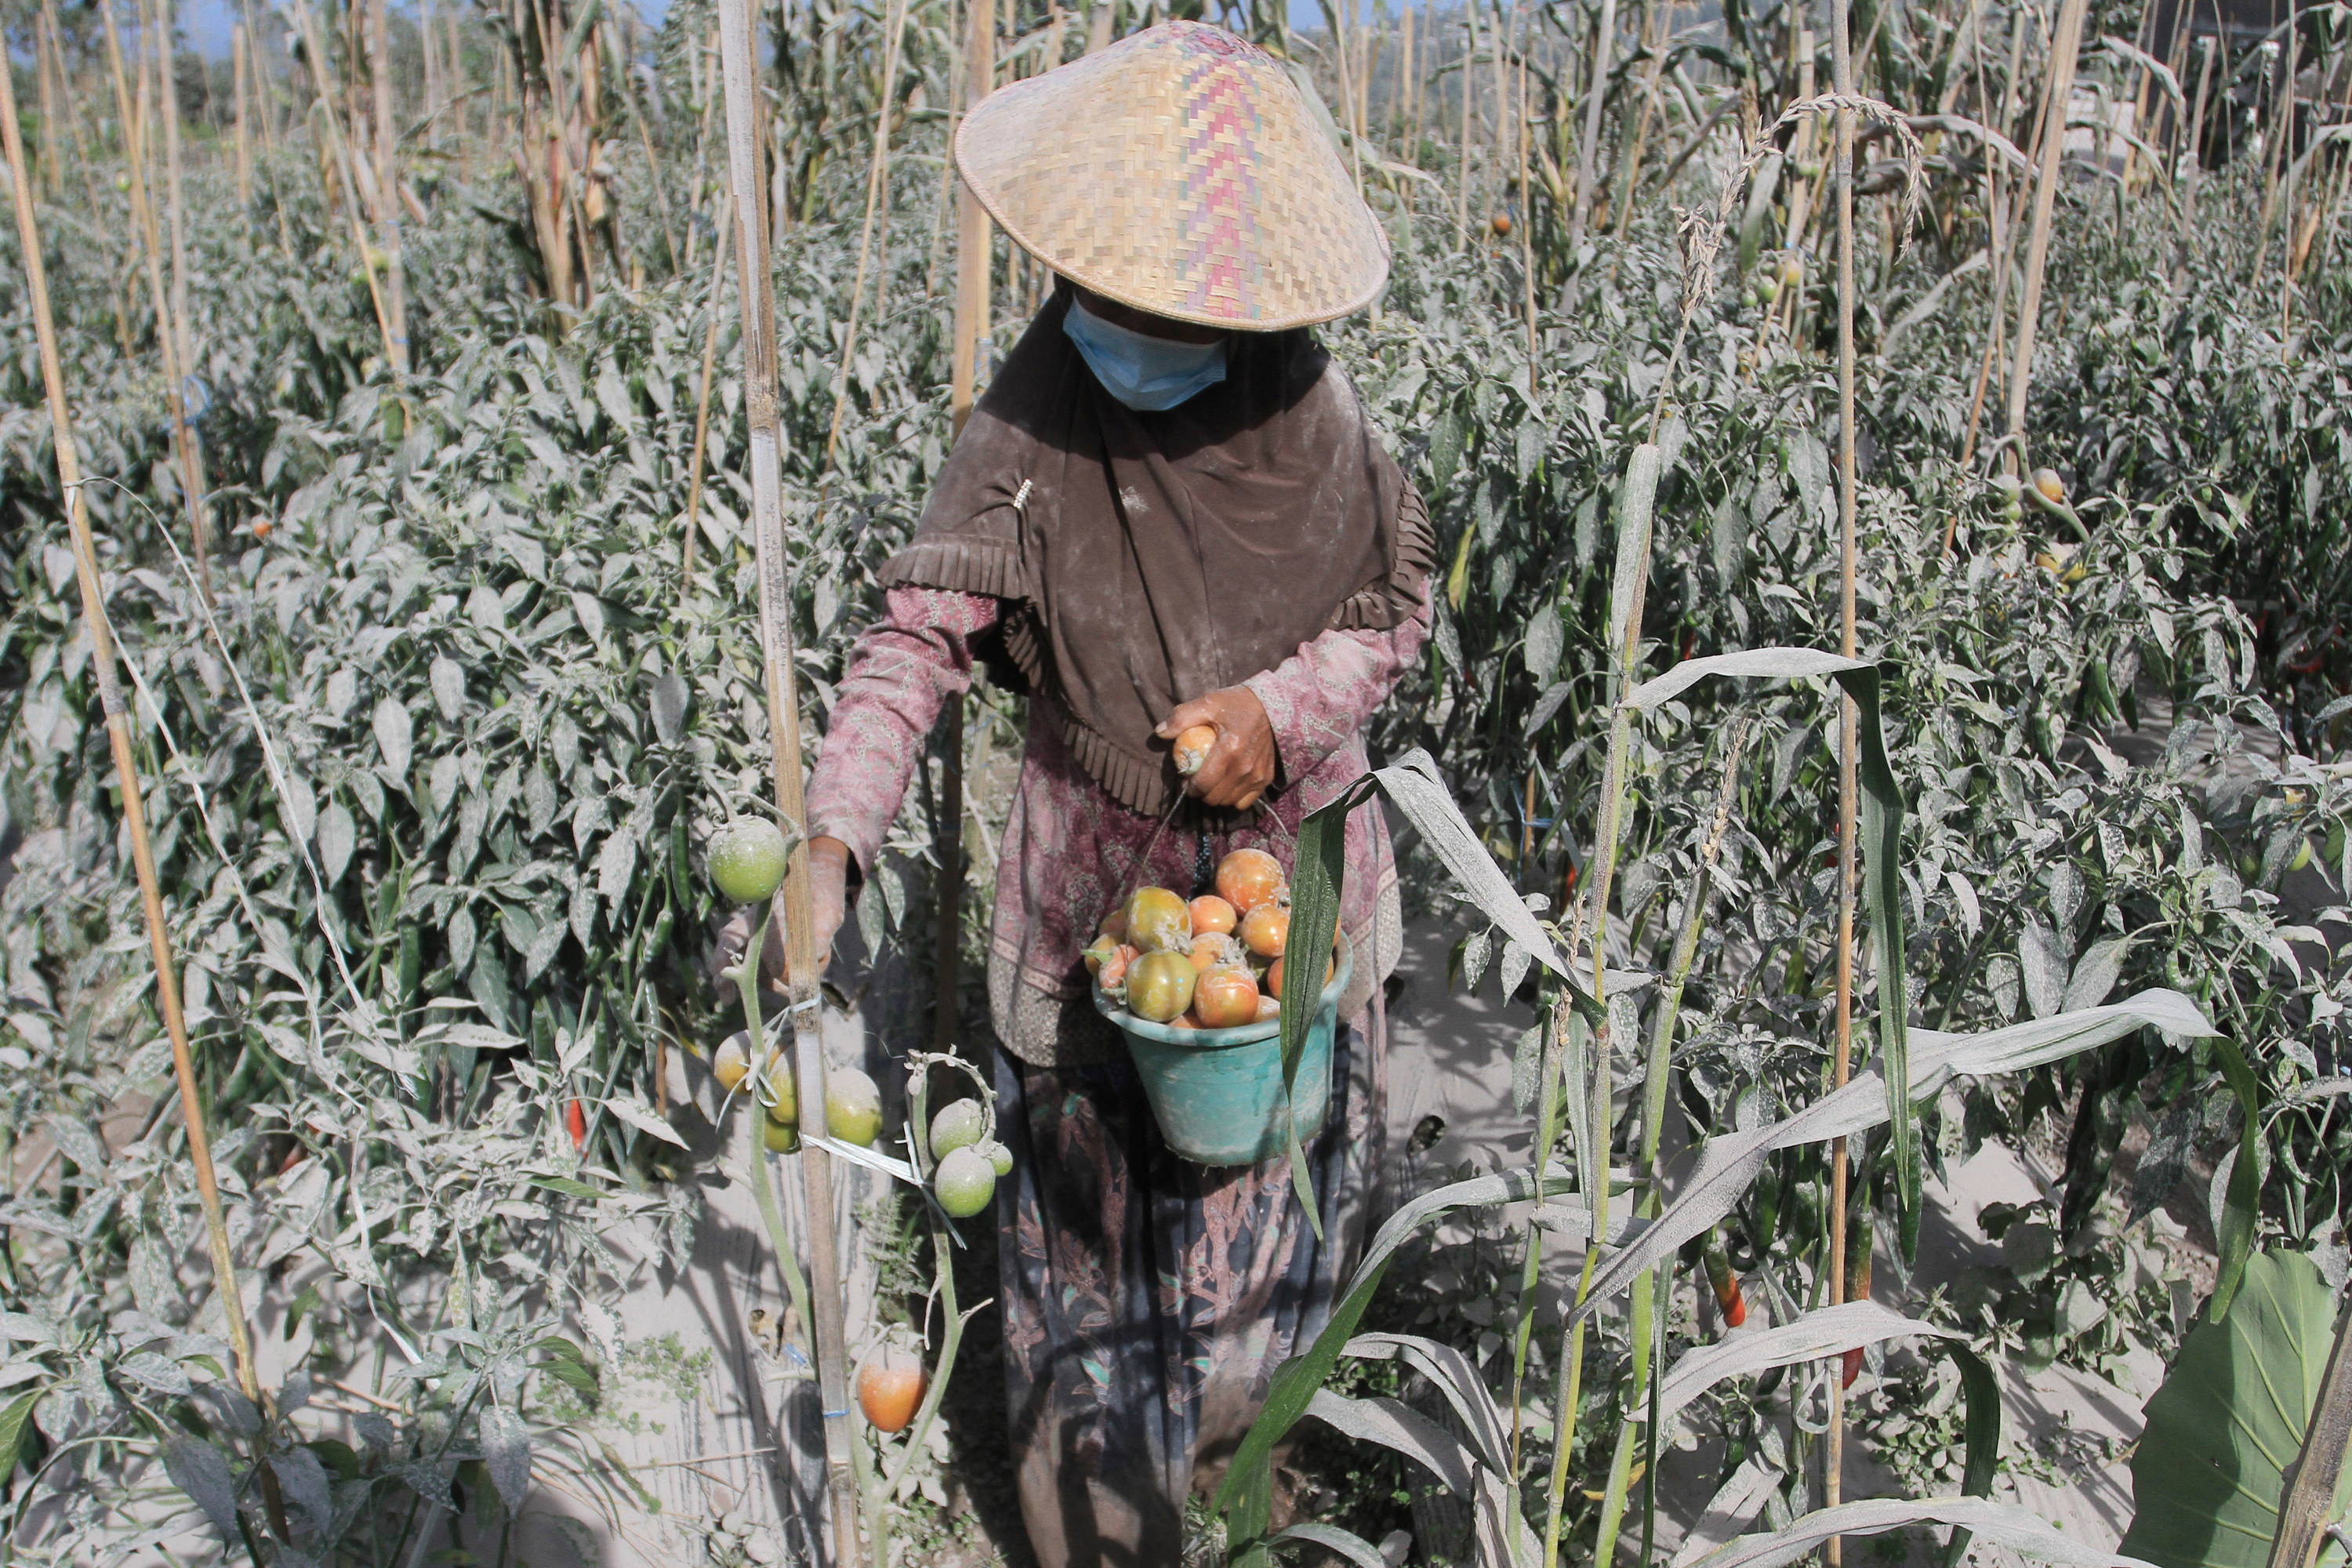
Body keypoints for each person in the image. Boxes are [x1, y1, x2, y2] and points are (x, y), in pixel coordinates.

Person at [797, 22, 1433, 1566]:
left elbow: (1396, 620)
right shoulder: (1032, 416)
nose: (1126, 333)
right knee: (1081, 1303)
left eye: (1170, 313)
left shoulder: (1318, 428)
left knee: (1252, 1303)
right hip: (1086, 908)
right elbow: (915, 642)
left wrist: (1276, 718)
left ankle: (1238, 1505)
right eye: (1108, 297)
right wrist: (835, 829)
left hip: (1286, 922)